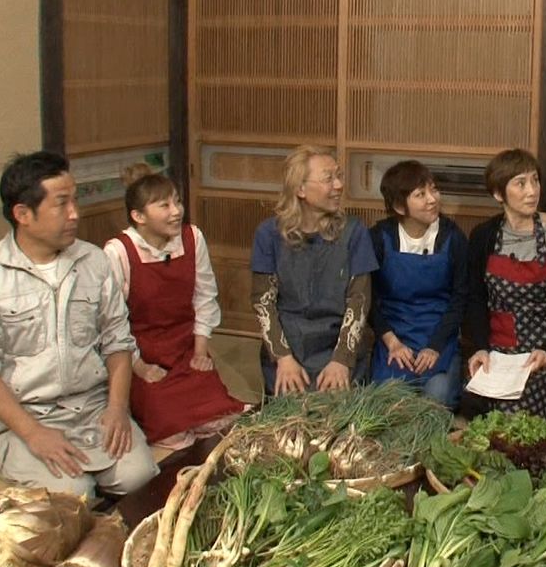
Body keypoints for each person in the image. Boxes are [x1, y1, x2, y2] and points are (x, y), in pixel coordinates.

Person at [0, 151, 157, 497]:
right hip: (27, 415)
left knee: (140, 478)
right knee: (73, 493)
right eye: (61, 204)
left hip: (93, 408)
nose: (75, 213)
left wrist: (118, 408)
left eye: (75, 200)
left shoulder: (94, 261)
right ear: (23, 214)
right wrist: (33, 433)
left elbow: (118, 341)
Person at [102, 163, 245, 449]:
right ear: (138, 216)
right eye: (164, 206)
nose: (176, 211)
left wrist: (200, 351)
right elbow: (110, 322)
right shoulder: (118, 251)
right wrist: (139, 367)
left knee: (219, 418)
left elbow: (205, 296)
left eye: (177, 202)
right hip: (140, 353)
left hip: (184, 349)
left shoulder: (192, 238)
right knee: (171, 431)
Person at [464, 148, 546, 420]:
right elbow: (475, 296)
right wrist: (481, 347)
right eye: (520, 183)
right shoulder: (484, 235)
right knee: (472, 402)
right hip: (499, 345)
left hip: (545, 346)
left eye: (535, 180)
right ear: (498, 194)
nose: (532, 191)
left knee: (513, 412)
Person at [251, 145, 377, 395]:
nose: (338, 185)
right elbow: (263, 302)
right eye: (328, 179)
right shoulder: (268, 234)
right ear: (300, 189)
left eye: (339, 176)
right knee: (292, 410)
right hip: (290, 347)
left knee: (335, 411)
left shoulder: (355, 232)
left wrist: (341, 360)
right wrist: (283, 358)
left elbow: (359, 302)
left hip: (337, 346)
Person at [367, 160, 468, 409]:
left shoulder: (453, 237)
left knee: (437, 398)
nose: (432, 199)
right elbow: (367, 297)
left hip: (439, 336)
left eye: (433, 190)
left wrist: (434, 347)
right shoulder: (379, 237)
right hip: (395, 337)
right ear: (399, 206)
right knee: (388, 403)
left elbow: (460, 297)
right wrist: (392, 342)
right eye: (420, 194)